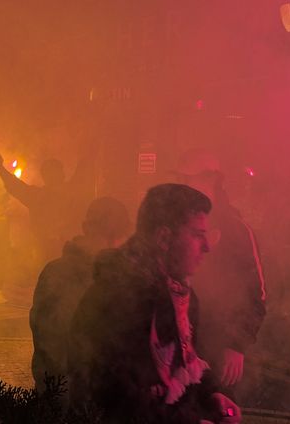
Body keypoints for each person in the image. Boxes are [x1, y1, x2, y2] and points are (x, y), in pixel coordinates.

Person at [68, 184, 240, 423]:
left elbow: (188, 362)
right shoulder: (117, 298)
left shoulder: (181, 296)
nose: (207, 247)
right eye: (197, 234)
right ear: (163, 238)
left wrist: (212, 395)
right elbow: (114, 396)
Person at [174, 150, 266, 391]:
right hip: (177, 345)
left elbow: (256, 293)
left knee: (216, 405)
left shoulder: (236, 231)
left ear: (211, 180)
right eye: (181, 179)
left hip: (216, 346)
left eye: (188, 179)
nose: (182, 186)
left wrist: (236, 344)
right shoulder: (174, 224)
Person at [29, 196, 130, 396]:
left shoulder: (107, 275)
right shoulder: (61, 275)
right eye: (116, 237)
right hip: (70, 397)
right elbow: (54, 346)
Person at [0, 154, 91, 266]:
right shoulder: (38, 197)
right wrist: (0, 167)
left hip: (73, 254)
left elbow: (83, 170)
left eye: (59, 170)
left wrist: (0, 167)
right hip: (49, 254)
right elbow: (15, 185)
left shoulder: (71, 191)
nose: (61, 174)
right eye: (56, 171)